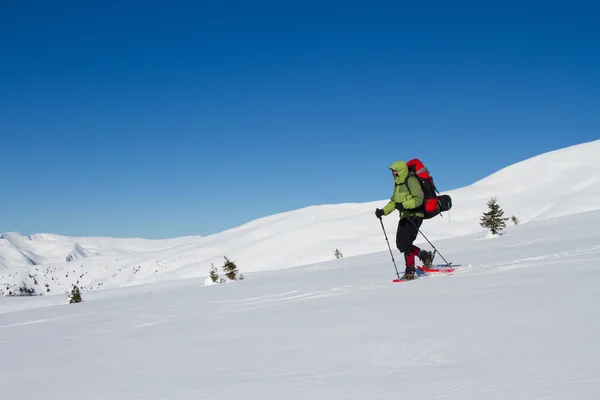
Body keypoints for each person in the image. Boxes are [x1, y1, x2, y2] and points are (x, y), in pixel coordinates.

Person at [375, 160, 433, 280]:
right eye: (393, 172)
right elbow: (394, 202)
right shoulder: (397, 185)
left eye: (395, 172)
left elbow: (418, 199)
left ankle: (410, 270)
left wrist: (404, 205)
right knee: (400, 244)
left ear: (401, 171)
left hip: (416, 214)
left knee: (406, 243)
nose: (393, 174)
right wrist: (383, 211)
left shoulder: (411, 180)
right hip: (405, 215)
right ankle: (424, 255)